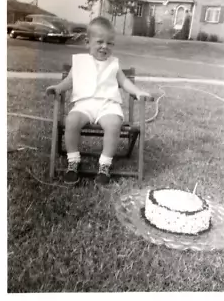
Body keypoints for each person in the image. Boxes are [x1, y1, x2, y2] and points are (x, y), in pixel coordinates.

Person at [46, 16, 150, 185]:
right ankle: (73, 162)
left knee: (113, 124)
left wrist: (138, 92)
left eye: (109, 43)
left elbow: (124, 82)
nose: (104, 46)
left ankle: (104, 165)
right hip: (84, 104)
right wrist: (59, 88)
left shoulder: (113, 64)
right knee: (71, 120)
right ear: (88, 42)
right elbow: (69, 81)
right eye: (100, 42)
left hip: (108, 106)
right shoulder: (79, 62)